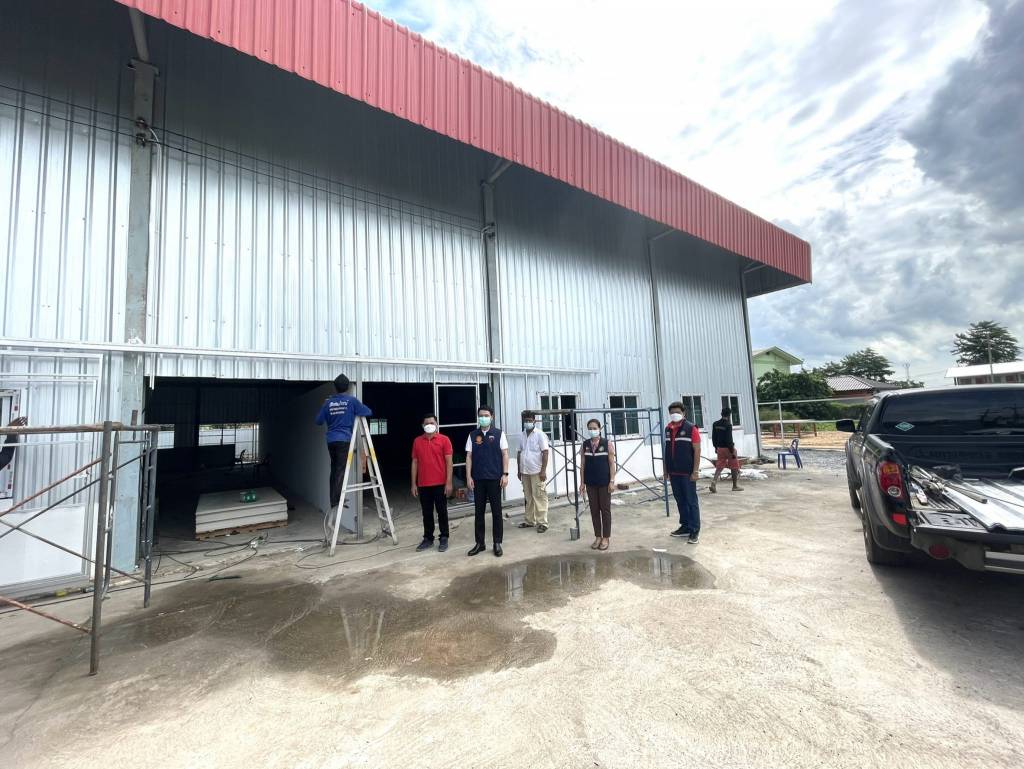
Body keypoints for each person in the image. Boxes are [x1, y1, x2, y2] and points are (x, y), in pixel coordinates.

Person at [315, 374, 372, 514]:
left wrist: (325, 406)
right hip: (344, 440)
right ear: (347, 387)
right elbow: (368, 412)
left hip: (331, 440)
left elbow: (318, 421)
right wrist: (355, 408)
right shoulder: (351, 401)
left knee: (334, 469)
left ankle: (333, 499)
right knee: (340, 469)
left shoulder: (328, 402)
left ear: (335, 387)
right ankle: (337, 500)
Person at [465, 405, 509, 557]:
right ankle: (480, 543)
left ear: (492, 417)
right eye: (481, 415)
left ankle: (497, 542)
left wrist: (505, 474)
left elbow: (505, 454)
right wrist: (468, 476)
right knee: (479, 513)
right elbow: (469, 456)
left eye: (486, 415)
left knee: (497, 512)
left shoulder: (499, 434)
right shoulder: (473, 435)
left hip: (495, 479)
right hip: (478, 480)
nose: (483, 418)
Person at [411, 414, 454, 552]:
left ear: (436, 424)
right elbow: (415, 462)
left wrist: (448, 483)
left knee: (442, 512)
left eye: (432, 422)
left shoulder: (444, 440)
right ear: (422, 426)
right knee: (427, 513)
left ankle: (444, 537)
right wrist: (413, 484)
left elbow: (449, 462)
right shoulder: (417, 441)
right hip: (423, 484)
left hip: (440, 484)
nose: (429, 425)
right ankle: (428, 538)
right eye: (427, 423)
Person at [663, 401, 701, 544]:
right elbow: (667, 451)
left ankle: (694, 530)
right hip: (674, 472)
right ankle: (685, 526)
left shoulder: (691, 428)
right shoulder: (668, 429)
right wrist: (666, 470)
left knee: (691, 501)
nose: (675, 415)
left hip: (687, 472)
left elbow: (697, 450)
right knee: (680, 501)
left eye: (678, 412)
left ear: (684, 413)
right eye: (672, 413)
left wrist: (695, 471)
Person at [579, 418, 615, 551]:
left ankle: (606, 537)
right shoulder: (585, 445)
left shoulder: (607, 444)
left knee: (605, 510)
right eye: (590, 428)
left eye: (594, 428)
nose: (592, 430)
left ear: (600, 429)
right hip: (590, 483)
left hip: (604, 483)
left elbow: (611, 464)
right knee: (594, 510)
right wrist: (582, 483)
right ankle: (598, 536)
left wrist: (612, 481)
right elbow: (582, 464)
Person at [517, 409, 550, 533]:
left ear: (534, 421)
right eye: (526, 420)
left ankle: (543, 523)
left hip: (537, 471)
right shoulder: (522, 435)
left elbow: (545, 452)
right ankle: (530, 521)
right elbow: (519, 453)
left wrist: (543, 471)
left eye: (530, 420)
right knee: (528, 497)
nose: (528, 422)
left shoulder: (540, 434)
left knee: (539, 496)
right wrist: (519, 470)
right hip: (525, 471)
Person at [710, 407, 743, 493]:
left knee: (719, 466)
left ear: (721, 414)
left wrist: (715, 447)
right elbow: (729, 439)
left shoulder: (715, 424)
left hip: (719, 448)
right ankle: (735, 486)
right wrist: (732, 451)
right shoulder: (728, 425)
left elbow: (714, 437)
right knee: (734, 466)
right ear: (729, 415)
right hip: (728, 448)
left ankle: (714, 482)